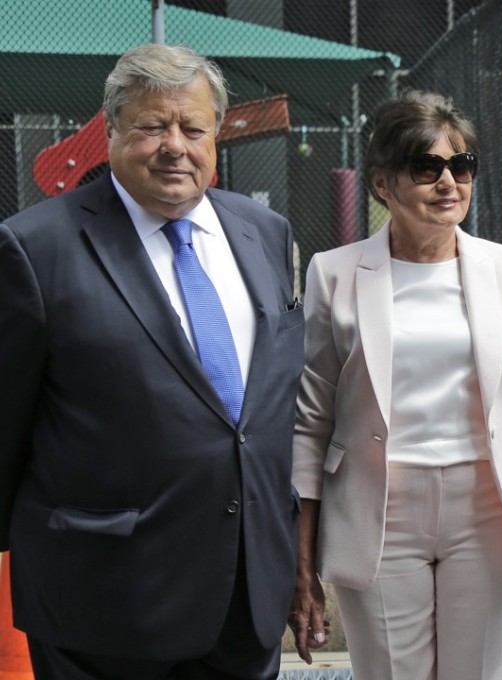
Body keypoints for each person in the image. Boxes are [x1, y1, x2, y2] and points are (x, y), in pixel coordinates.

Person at [0, 44, 305, 679]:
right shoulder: (34, 248)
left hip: (246, 596)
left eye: (193, 128)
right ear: (110, 131)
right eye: (151, 126)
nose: (176, 146)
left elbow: (266, 417)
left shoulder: (264, 232)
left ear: (217, 135)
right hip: (104, 601)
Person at [288, 90, 502, 680]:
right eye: (426, 168)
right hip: (376, 511)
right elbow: (311, 422)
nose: (448, 182)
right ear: (383, 183)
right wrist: (300, 561)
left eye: (461, 166)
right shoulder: (334, 273)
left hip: (486, 506)